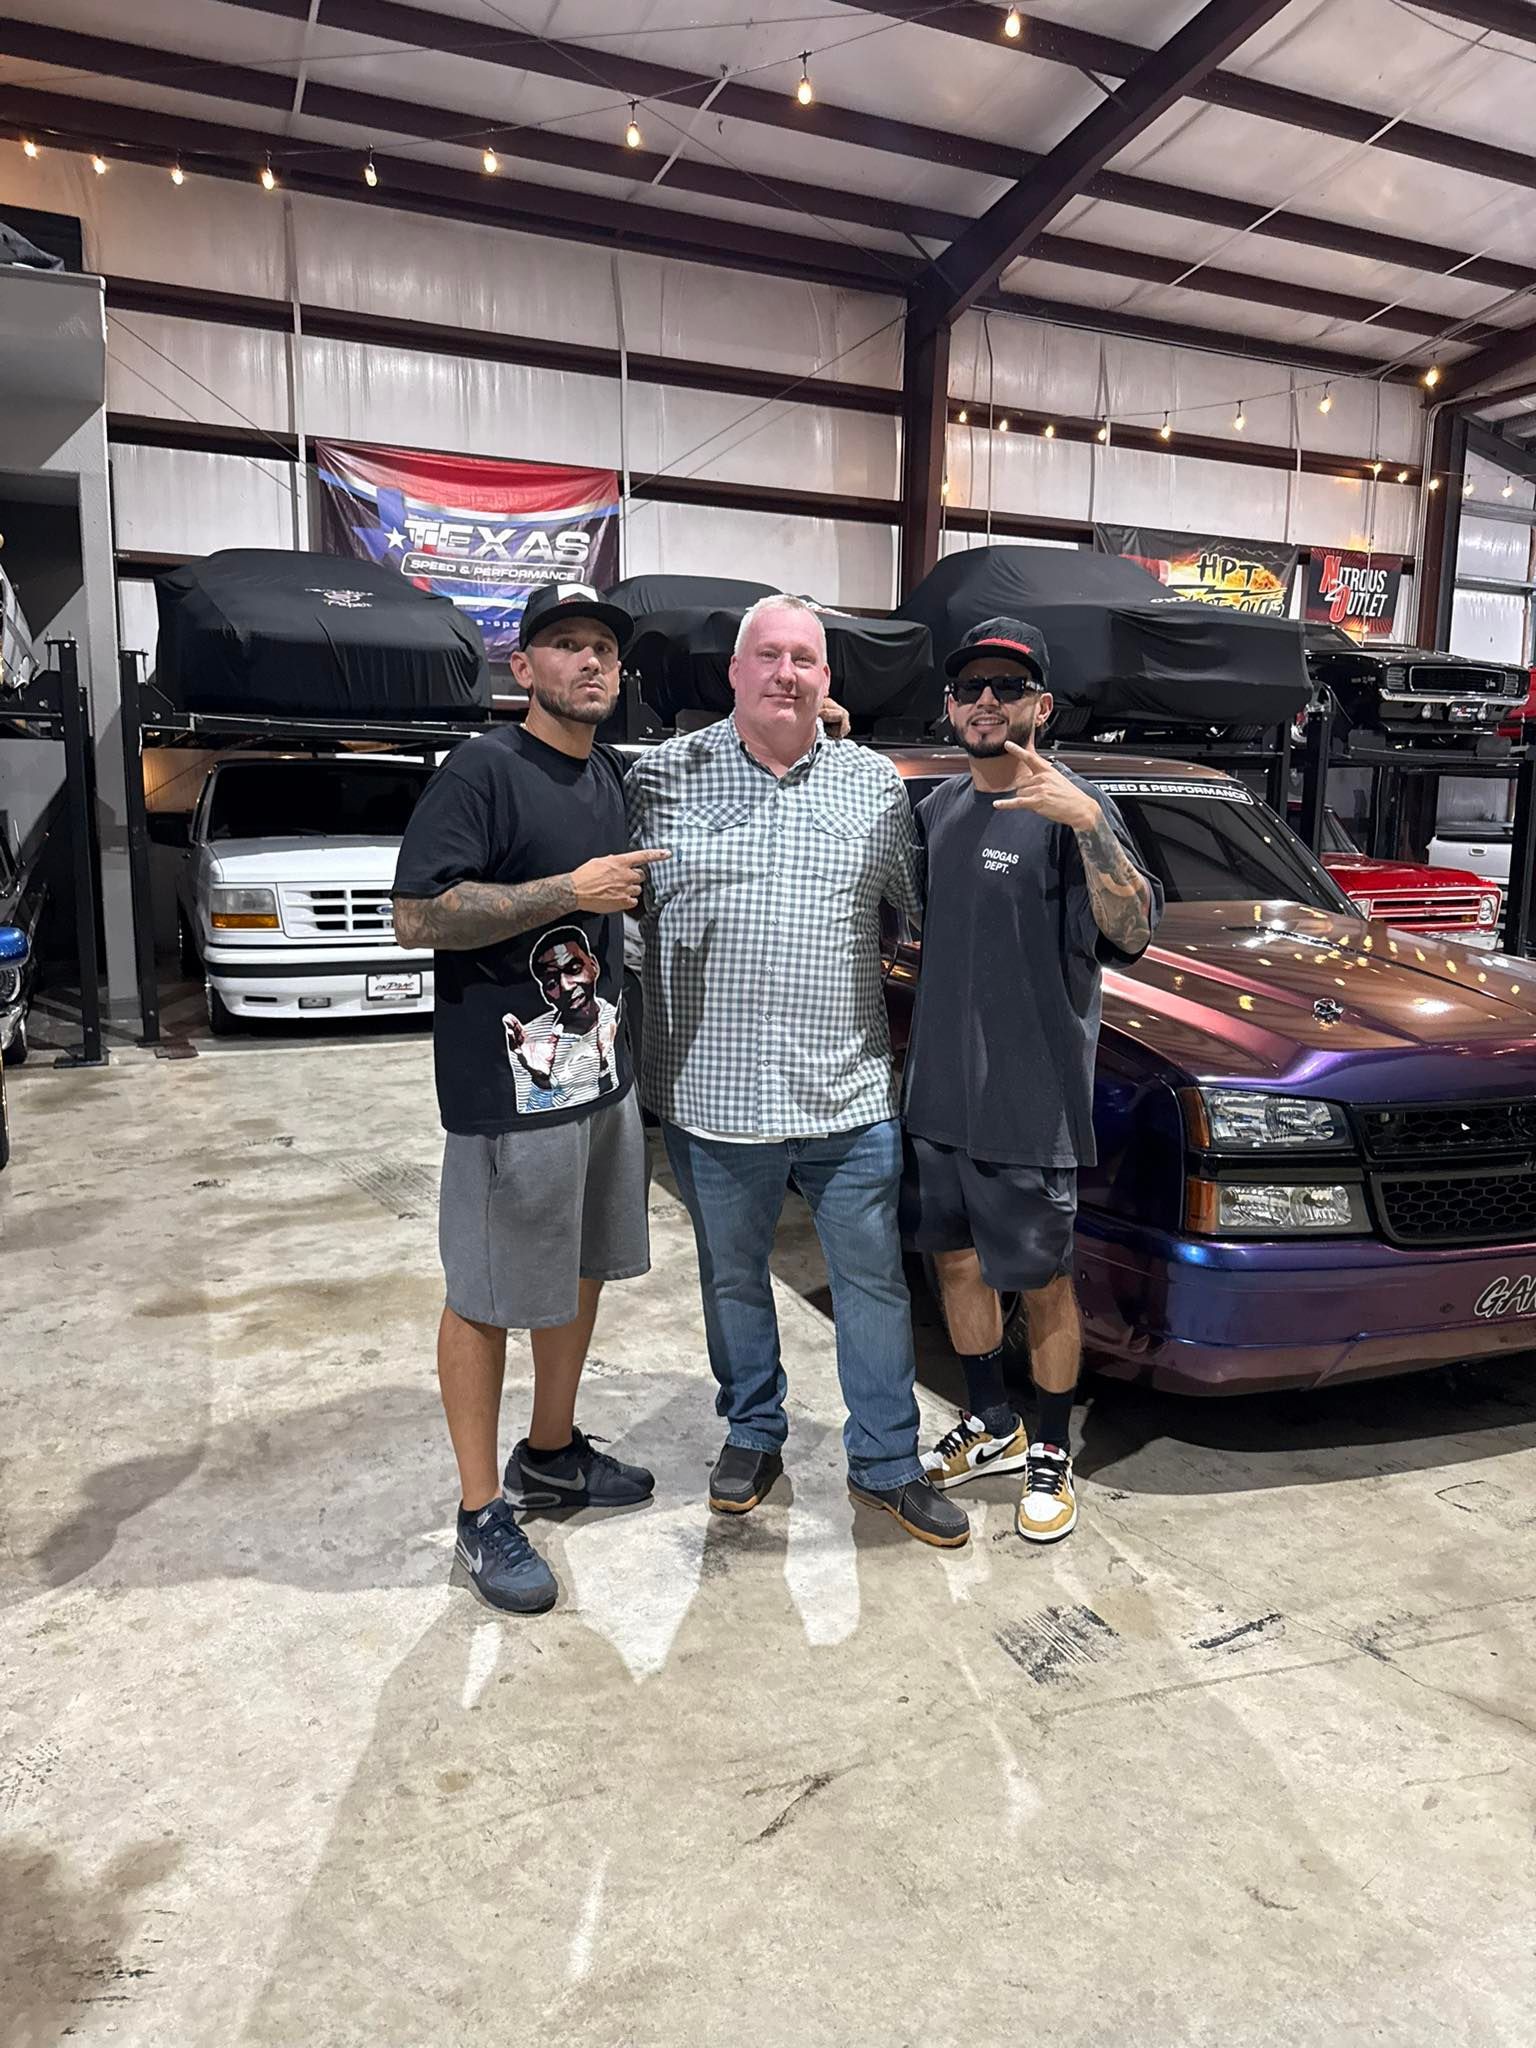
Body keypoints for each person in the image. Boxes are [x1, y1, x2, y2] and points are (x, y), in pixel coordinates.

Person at [626, 594, 969, 1549]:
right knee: (733, 1281)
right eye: (769, 656)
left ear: (827, 680)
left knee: (873, 1287)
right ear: (734, 673)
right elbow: (615, 912)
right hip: (711, 1093)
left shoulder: (873, 786)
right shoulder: (659, 778)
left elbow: (923, 913)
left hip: (847, 1094)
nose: (787, 673)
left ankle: (888, 1462)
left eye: (805, 660)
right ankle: (753, 1433)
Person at [392, 582, 668, 1616]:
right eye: (567, 644)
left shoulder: (608, 772)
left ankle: (550, 1452)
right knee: (485, 1294)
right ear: (524, 667)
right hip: (508, 1095)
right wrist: (569, 891)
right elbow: (418, 914)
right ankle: (480, 1508)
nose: (591, 661)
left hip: (596, 1078)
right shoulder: (484, 769)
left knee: (579, 1270)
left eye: (604, 647)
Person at [901, 617, 1162, 1544]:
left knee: (1043, 1280)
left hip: (1030, 1103)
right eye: (970, 687)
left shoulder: (1074, 809)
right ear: (950, 705)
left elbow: (1133, 930)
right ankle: (993, 1423)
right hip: (940, 1097)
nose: (986, 701)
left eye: (1007, 688)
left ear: (1041, 707)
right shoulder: (937, 812)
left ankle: (1051, 1445)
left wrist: (1087, 824)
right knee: (956, 1263)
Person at [507, 927, 621, 1113]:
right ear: (545, 993)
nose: (566, 986)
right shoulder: (530, 1039)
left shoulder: (612, 1013)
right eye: (552, 983)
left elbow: (616, 1099)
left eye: (574, 969)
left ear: (594, 965)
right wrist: (541, 1080)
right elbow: (530, 1117)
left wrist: (603, 1065)